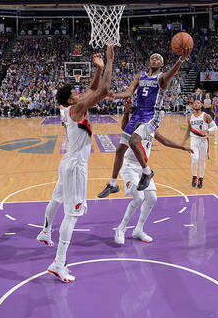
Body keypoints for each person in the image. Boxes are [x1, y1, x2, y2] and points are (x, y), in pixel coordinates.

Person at [36, 47, 114, 283]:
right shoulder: (76, 109)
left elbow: (92, 90)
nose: (80, 93)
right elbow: (102, 91)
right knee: (72, 215)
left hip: (67, 163)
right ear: (71, 99)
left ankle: (45, 230)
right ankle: (59, 263)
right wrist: (110, 61)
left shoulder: (70, 107)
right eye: (76, 92)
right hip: (76, 167)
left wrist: (98, 69)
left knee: (56, 199)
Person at [98, 46, 192, 198]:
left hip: (152, 114)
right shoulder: (140, 76)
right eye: (152, 57)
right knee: (120, 150)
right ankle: (113, 184)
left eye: (158, 58)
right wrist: (115, 96)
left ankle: (147, 172)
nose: (154, 59)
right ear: (149, 62)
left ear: (161, 64)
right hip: (138, 114)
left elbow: (172, 72)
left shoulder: (162, 78)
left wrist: (181, 60)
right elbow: (129, 92)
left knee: (135, 141)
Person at [114, 98, 192, 244]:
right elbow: (124, 126)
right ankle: (121, 228)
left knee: (152, 198)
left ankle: (138, 230)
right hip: (130, 165)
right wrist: (126, 111)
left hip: (143, 169)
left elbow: (165, 141)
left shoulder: (151, 128)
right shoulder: (138, 123)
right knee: (138, 198)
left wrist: (182, 147)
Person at [182, 100, 216, 189]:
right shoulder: (190, 117)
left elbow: (214, 126)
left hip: (203, 140)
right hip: (194, 140)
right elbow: (189, 130)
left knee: (201, 161)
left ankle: (201, 178)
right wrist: (184, 141)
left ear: (201, 105)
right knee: (194, 159)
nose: (196, 104)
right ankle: (194, 177)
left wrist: (208, 130)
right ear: (192, 106)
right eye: (194, 103)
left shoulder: (206, 116)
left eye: (198, 103)